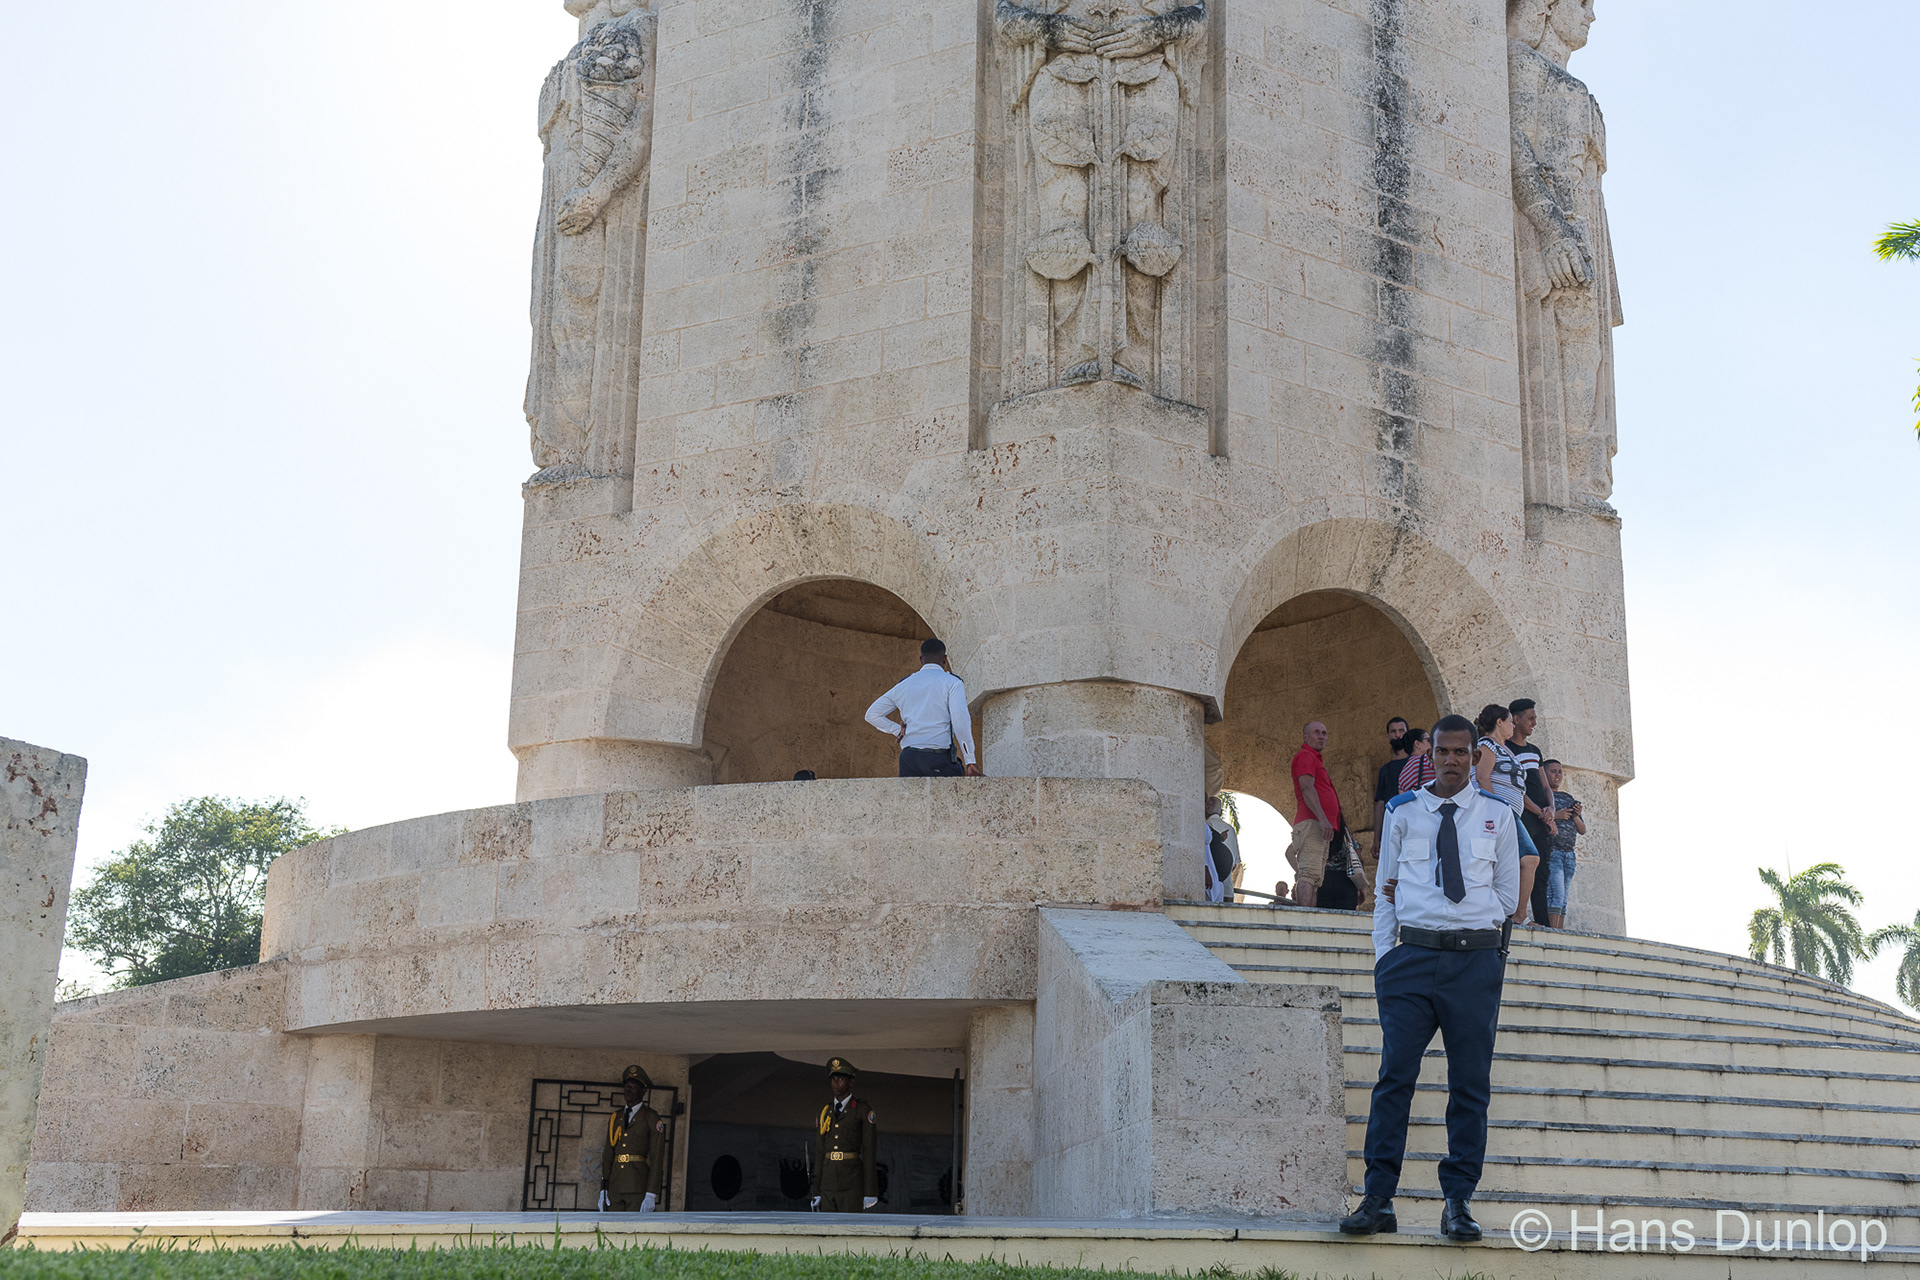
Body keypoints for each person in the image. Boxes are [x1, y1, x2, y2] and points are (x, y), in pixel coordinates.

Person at [1340, 715, 1519, 1243]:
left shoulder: (1499, 816)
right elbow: (1386, 893)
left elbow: (1508, 897)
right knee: (1394, 1078)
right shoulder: (1402, 812)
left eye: (1462, 752)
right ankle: (1378, 1199)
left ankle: (1458, 1202)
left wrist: (1474, 933)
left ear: (1472, 756)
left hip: (1473, 964)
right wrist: (1383, 958)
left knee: (1469, 1084)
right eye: (1444, 751)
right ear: (1431, 754)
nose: (1452, 760)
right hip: (1411, 962)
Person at [864, 639, 983, 778]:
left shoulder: (904, 684)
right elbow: (960, 721)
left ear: (921, 659)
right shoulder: (952, 682)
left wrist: (898, 731)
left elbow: (872, 714)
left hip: (908, 760)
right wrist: (970, 761)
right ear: (945, 659)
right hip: (938, 758)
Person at [1473, 704, 1542, 926]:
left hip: (1511, 813)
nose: (1513, 725)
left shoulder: (1504, 748)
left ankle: (1514, 913)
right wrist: (1496, 810)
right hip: (1503, 813)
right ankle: (1519, 915)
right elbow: (1482, 778)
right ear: (1499, 722)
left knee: (1511, 863)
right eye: (1510, 721)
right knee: (1530, 858)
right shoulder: (1486, 745)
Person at [1506, 699, 1557, 927]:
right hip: (1525, 815)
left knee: (1542, 870)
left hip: (1542, 818)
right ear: (1516, 720)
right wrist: (1540, 812)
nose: (1534, 723)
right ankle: (1518, 914)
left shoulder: (1535, 751)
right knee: (1523, 863)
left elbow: (1545, 786)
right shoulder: (1508, 749)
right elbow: (1516, 789)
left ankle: (1542, 921)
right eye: (1530, 718)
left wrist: (1551, 810)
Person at [810, 1057, 878, 1212]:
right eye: (833, 1079)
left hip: (851, 1182)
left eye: (840, 1079)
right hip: (827, 1183)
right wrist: (817, 1190)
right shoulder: (825, 1111)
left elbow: (869, 1151)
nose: (835, 1083)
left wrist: (870, 1191)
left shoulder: (862, 1110)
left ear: (851, 1082)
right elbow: (820, 1152)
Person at [1286, 722, 1340, 909]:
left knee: (1316, 878)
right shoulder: (1306, 756)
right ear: (1305, 737)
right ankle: (1305, 918)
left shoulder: (1315, 758)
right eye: (1316, 732)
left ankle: (1310, 917)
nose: (1322, 736)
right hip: (1312, 822)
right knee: (1308, 874)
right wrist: (1323, 818)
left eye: (1324, 733)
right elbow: (1307, 788)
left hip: (1319, 824)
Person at [599, 1064, 666, 1212]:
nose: (628, 1090)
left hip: (637, 1184)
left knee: (634, 1231)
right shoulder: (616, 1117)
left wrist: (651, 1193)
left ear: (643, 1091)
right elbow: (608, 1155)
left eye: (633, 1086)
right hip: (615, 1185)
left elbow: (657, 1157)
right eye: (626, 1086)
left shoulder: (651, 1117)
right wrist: (604, 1188)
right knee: (613, 1231)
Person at [1543, 760, 1586, 929]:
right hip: (1553, 852)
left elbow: (1582, 830)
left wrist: (1575, 815)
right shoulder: (1542, 796)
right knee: (1556, 895)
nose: (1557, 775)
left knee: (1564, 899)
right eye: (1553, 771)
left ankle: (1560, 934)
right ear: (1544, 775)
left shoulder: (1568, 798)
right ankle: (1553, 934)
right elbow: (1539, 819)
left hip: (1569, 855)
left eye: (1560, 772)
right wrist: (1557, 816)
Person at [1370, 724, 1415, 866]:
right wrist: (1377, 839)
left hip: (1414, 826)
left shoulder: (1417, 763)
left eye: (1402, 731)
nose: (1397, 735)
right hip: (1392, 828)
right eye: (1393, 731)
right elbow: (1380, 804)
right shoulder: (1384, 770)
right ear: (1387, 736)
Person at [1205, 796, 1241, 905]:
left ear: (1206, 808)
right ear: (1220, 812)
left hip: (1208, 886)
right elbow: (1235, 864)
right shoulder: (1230, 829)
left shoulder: (1206, 826)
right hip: (1227, 888)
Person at [1396, 729, 1435, 794]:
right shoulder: (1428, 759)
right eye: (1429, 740)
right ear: (1417, 744)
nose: (1433, 743)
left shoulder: (1402, 775)